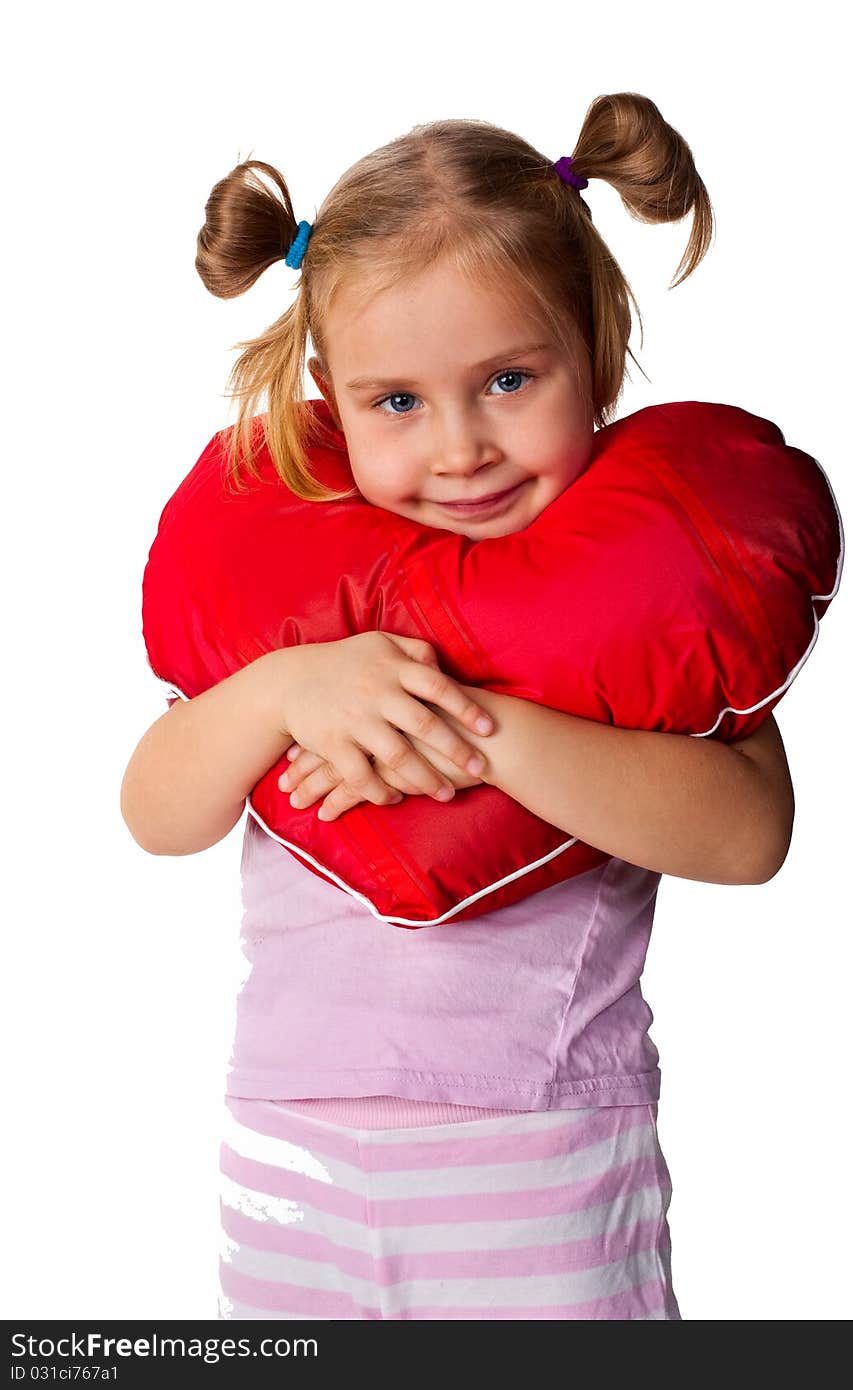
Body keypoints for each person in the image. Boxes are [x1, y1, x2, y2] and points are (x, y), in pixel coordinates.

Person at [120, 93, 796, 1321]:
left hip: (539, 1161)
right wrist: (286, 689)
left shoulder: (636, 594)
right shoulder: (296, 594)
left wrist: (474, 724)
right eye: (398, 402)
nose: (459, 447)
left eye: (507, 380)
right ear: (327, 388)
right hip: (286, 1156)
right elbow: (156, 813)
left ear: (592, 342)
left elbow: (747, 835)